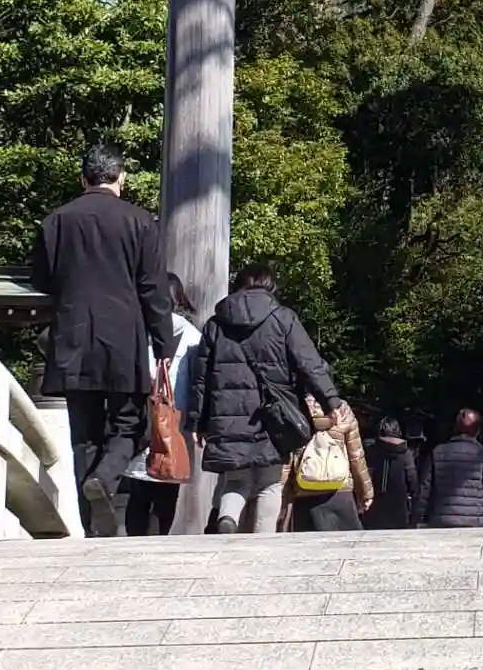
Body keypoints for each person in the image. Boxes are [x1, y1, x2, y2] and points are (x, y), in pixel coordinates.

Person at [31, 140, 173, 537]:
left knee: (84, 435)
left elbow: (41, 279)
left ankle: (92, 526)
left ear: (83, 178)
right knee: (131, 425)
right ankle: (106, 479)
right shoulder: (140, 221)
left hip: (73, 338)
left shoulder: (56, 221)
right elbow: (154, 289)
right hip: (123, 339)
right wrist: (164, 345)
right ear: (121, 177)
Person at [194, 262, 340, 535]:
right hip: (272, 416)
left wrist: (198, 422)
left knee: (235, 480)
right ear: (271, 286)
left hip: (226, 416)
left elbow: (201, 378)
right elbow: (309, 363)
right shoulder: (283, 318)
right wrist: (330, 401)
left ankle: (228, 517)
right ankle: (263, 540)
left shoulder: (215, 324)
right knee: (270, 482)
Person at [124, 273, 201, 537]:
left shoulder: (135, 330)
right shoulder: (193, 336)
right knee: (167, 490)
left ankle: (133, 543)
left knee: (138, 493)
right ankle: (157, 543)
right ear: (179, 299)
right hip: (175, 422)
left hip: (139, 418)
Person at [290, 395, 373, 532]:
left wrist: (284, 495)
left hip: (304, 492)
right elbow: (356, 456)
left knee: (308, 544)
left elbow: (287, 459)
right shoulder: (341, 408)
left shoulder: (294, 406)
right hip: (340, 491)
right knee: (348, 543)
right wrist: (365, 493)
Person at [417, 408, 483, 528]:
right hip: (476, 521)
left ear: (455, 428)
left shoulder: (437, 452)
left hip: (442, 520)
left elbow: (425, 489)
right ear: (478, 430)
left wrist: (419, 518)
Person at [362, 414, 419, 530]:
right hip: (399, 508)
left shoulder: (371, 451)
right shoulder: (405, 454)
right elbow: (412, 482)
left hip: (374, 508)